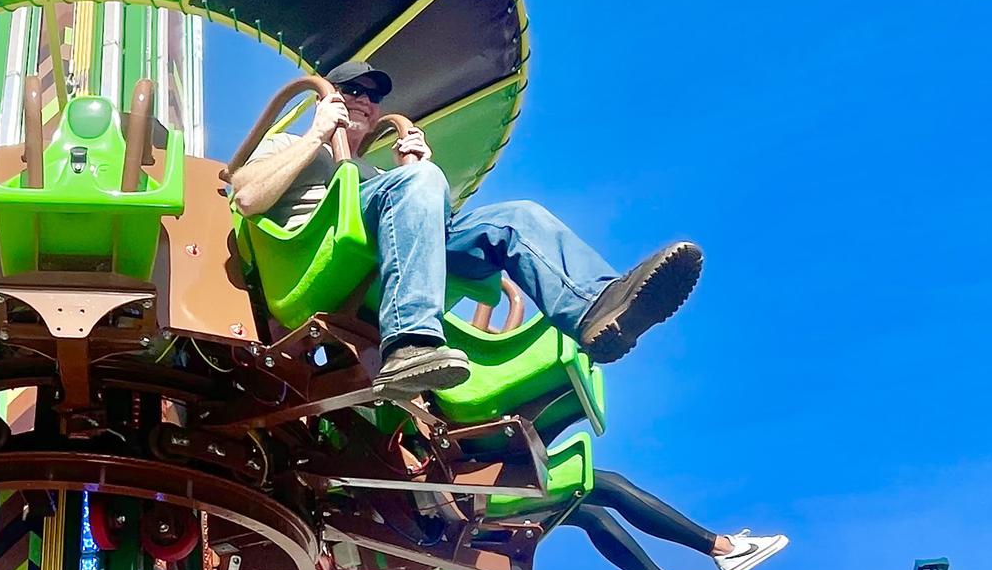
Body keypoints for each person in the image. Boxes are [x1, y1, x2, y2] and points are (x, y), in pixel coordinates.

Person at [229, 60, 704, 397]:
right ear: (327, 98)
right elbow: (248, 197)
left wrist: (415, 169)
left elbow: (427, 232)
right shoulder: (290, 144)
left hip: (377, 252)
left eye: (373, 97)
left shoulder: (380, 176)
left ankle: (596, 309)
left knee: (514, 217)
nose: (364, 101)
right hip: (314, 252)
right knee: (420, 180)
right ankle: (408, 342)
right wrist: (316, 135)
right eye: (351, 90)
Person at [556, 470, 790, 570]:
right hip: (530, 485)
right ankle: (725, 549)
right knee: (609, 486)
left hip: (531, 495)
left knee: (592, 513)